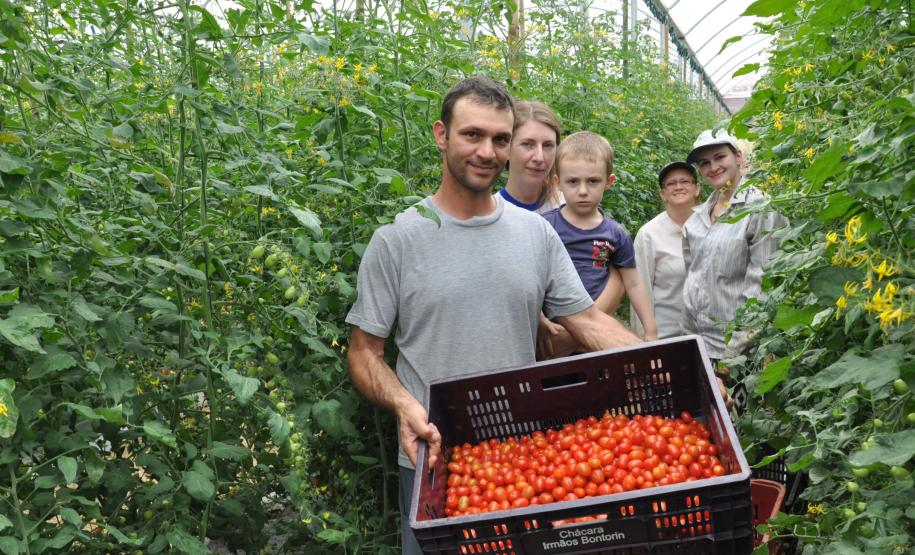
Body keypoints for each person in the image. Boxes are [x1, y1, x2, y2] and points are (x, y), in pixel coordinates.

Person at [344, 77, 641, 555]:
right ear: (442, 135)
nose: (487, 151)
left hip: (517, 456)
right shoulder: (398, 241)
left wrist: (677, 359)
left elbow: (587, 321)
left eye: (500, 139)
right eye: (472, 135)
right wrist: (404, 405)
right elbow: (364, 352)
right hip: (432, 458)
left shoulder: (534, 235)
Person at [539, 131, 658, 359]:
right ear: (558, 183)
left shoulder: (615, 234)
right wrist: (539, 319)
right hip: (555, 331)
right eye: (573, 181)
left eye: (593, 181)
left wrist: (650, 332)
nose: (583, 190)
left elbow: (633, 283)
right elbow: (532, 279)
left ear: (608, 182)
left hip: (599, 332)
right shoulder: (544, 227)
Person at [681, 129, 788, 364]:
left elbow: (762, 289)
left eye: (720, 157)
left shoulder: (760, 209)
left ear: (739, 157)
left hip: (739, 354)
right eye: (704, 163)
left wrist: (732, 356)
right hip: (698, 344)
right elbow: (694, 278)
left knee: (732, 402)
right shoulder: (697, 217)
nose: (713, 167)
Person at [631, 161, 701, 338]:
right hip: (667, 337)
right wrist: (645, 339)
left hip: (711, 334)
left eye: (685, 181)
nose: (678, 186)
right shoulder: (648, 234)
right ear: (663, 194)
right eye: (671, 183)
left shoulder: (712, 226)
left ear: (697, 188)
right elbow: (640, 289)